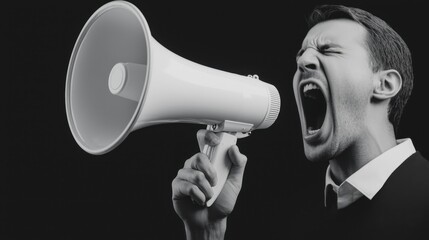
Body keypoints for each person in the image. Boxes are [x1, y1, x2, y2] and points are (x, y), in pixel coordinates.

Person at [171, 5, 429, 239]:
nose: (303, 61)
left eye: (328, 50)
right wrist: (206, 231)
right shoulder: (295, 221)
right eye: (301, 56)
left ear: (385, 84)